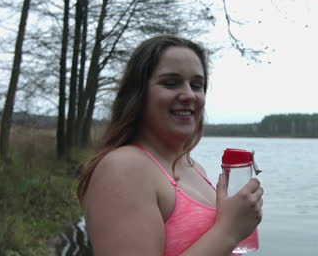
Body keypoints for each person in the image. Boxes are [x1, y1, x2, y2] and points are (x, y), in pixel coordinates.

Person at [77, 35, 264, 256]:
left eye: (196, 85)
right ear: (138, 94)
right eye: (170, 83)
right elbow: (225, 236)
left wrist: (238, 217)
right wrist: (229, 230)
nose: (188, 95)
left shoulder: (194, 168)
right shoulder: (123, 168)